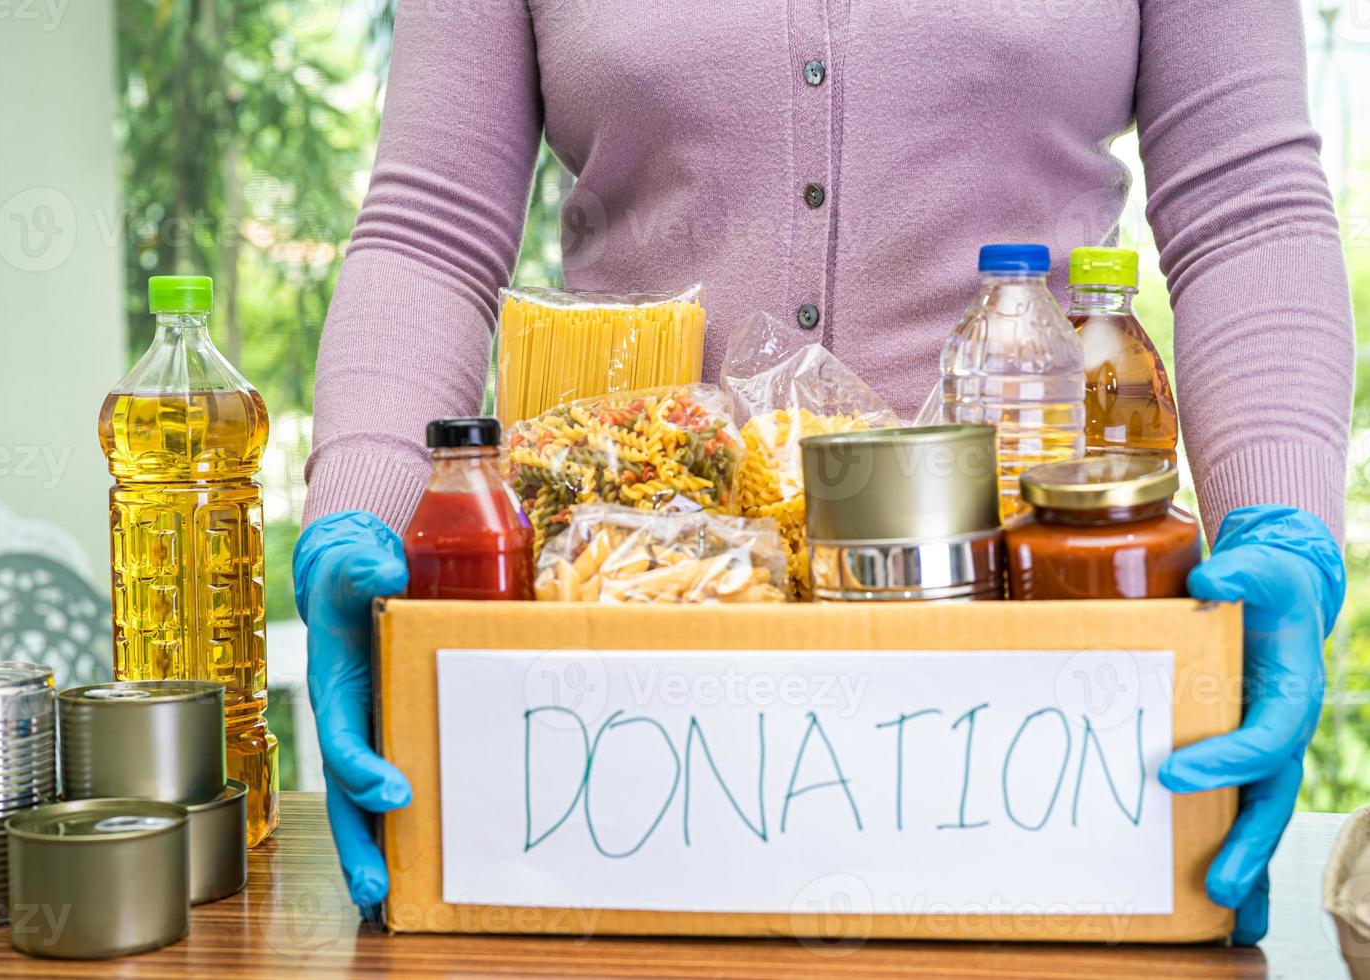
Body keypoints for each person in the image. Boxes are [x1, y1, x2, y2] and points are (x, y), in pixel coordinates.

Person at [292, 0, 1353, 943]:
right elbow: (431, 226)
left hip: (1030, 678)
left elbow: (1244, 204)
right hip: (632, 675)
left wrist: (1278, 525)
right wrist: (362, 520)